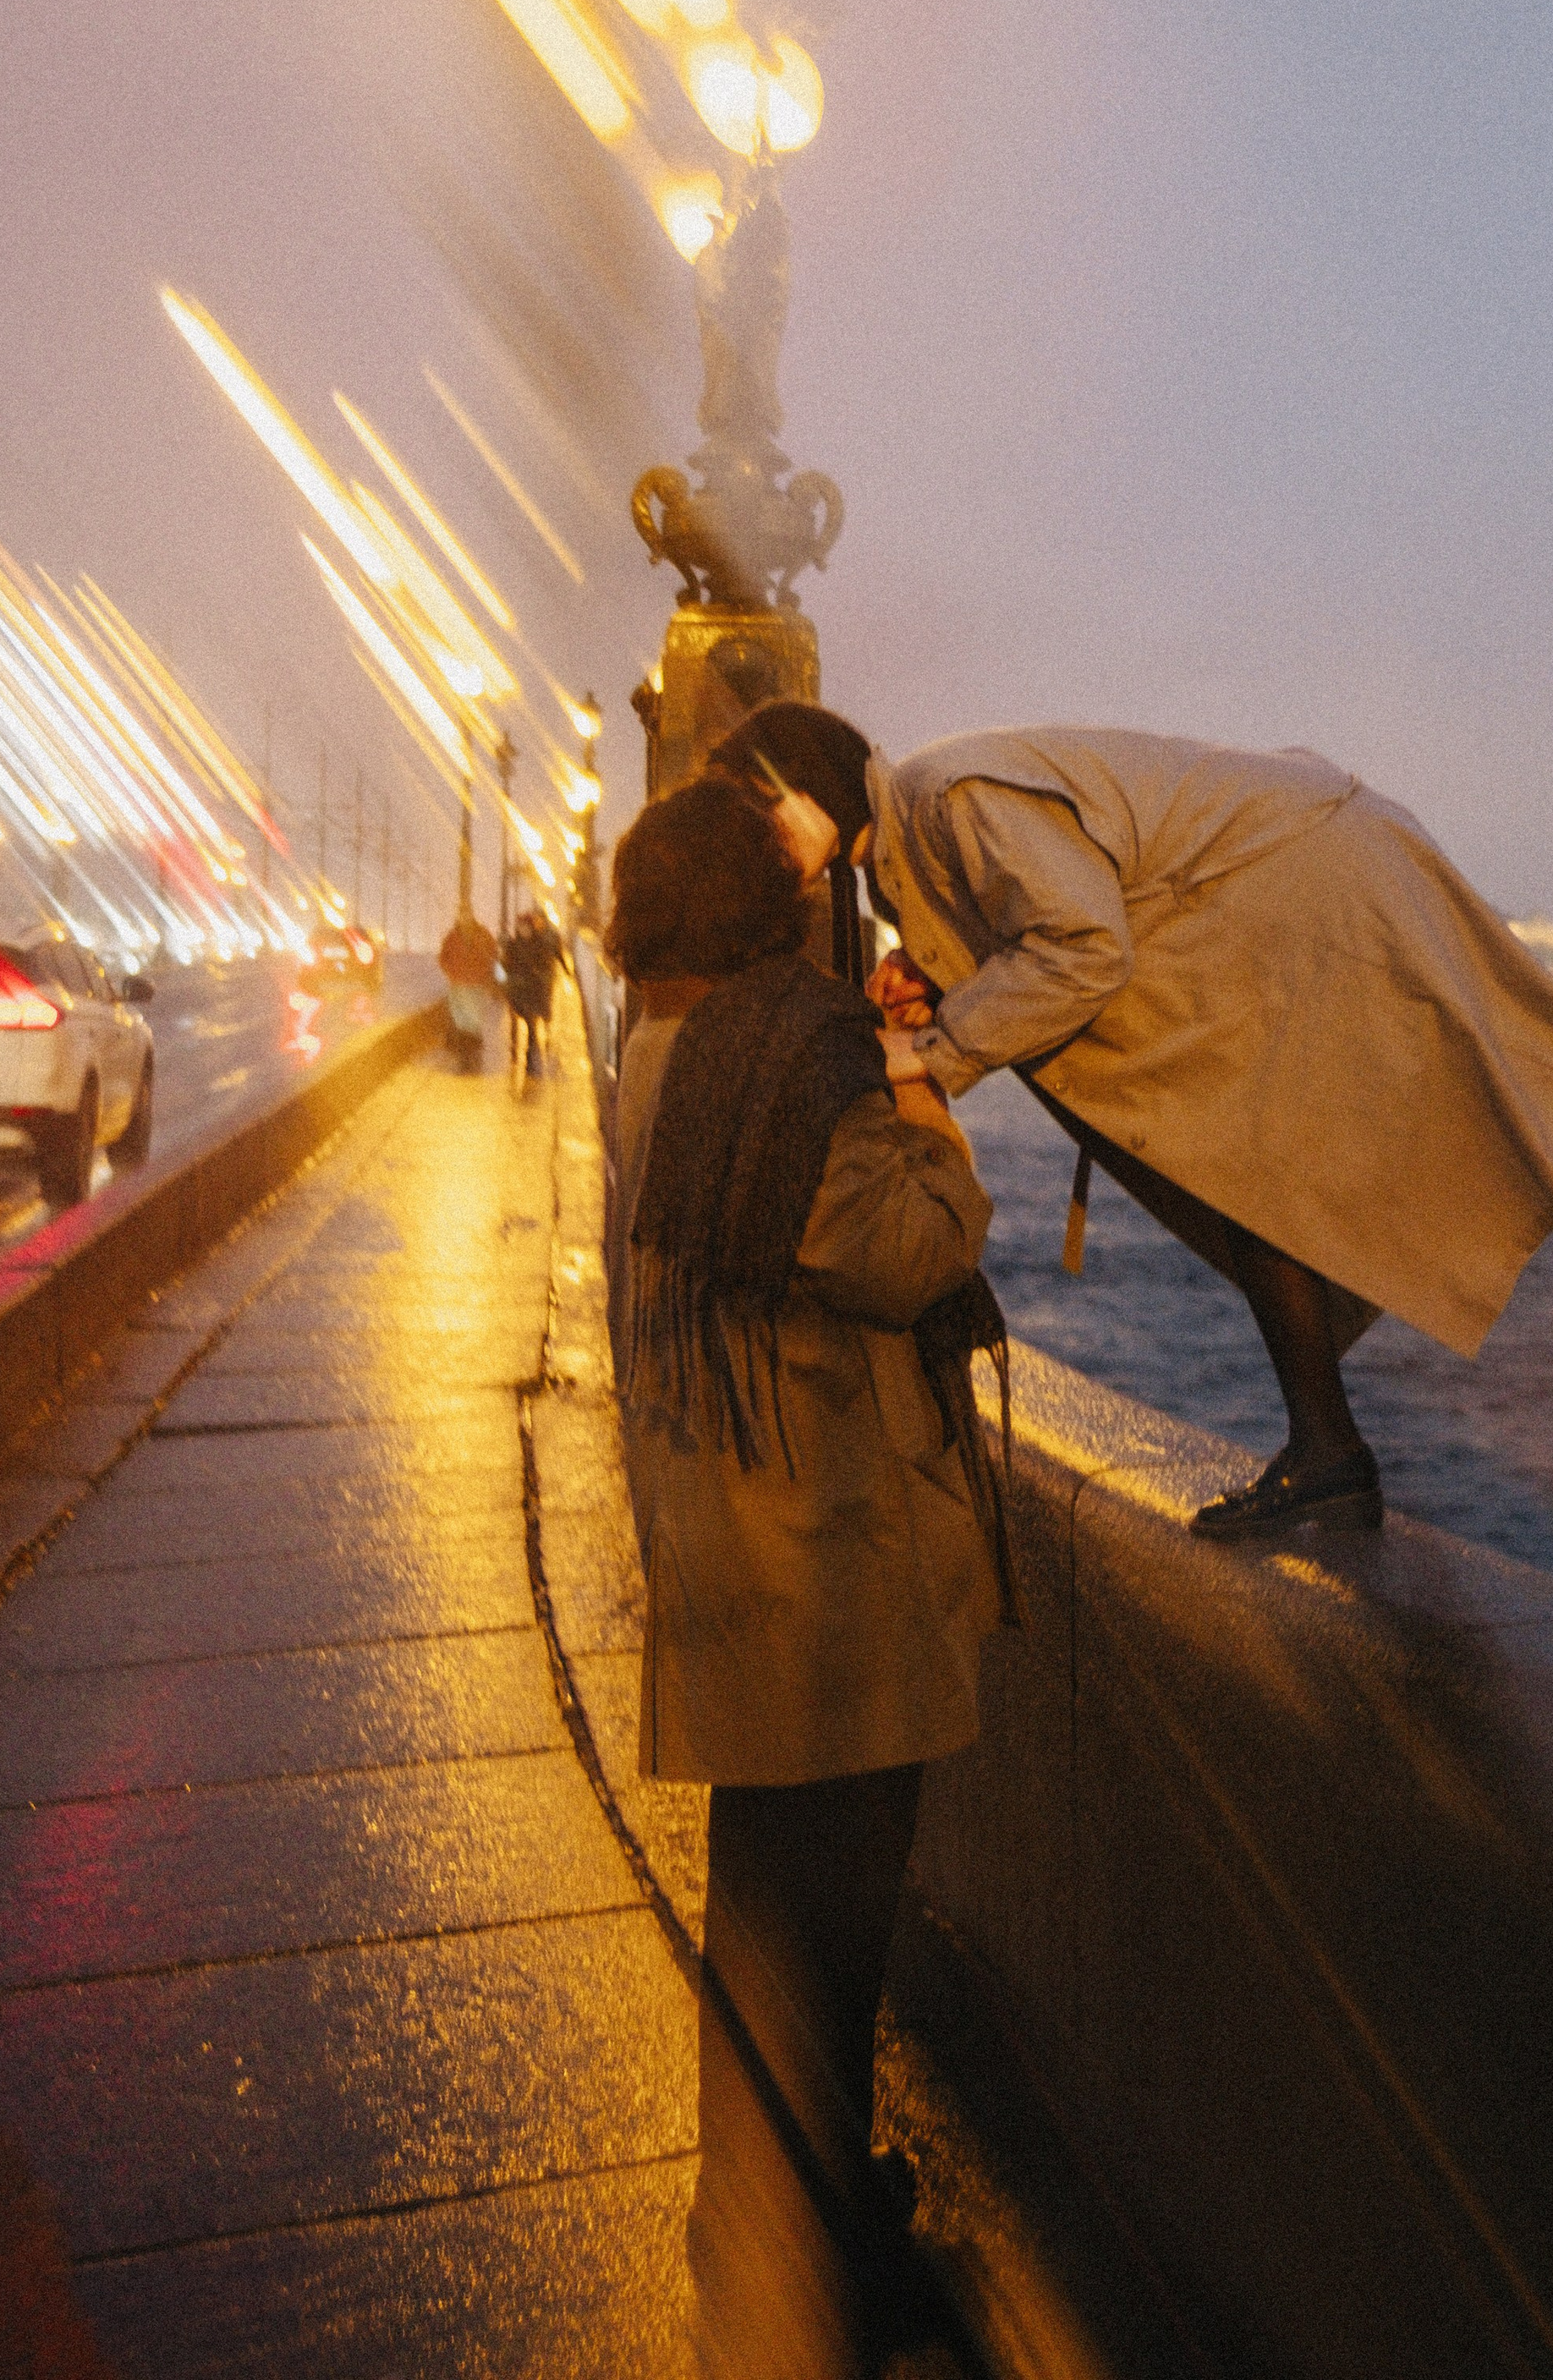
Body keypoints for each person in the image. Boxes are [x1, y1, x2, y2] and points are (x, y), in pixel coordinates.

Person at [706, 701, 1553, 1543]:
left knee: (1257, 1155)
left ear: (797, 788)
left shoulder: (940, 798)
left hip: (1292, 891)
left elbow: (1082, 945)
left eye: (757, 816)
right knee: (1355, 1115)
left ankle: (1330, 1453)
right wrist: (946, 994)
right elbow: (1060, 932)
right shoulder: (916, 827)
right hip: (1293, 871)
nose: (761, 848)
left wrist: (933, 1047)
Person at [604, 773, 1010, 2378]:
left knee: (776, 1933)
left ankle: (803, 2237)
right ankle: (789, 2299)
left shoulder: (664, 1054)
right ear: (760, 920)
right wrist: (912, 1069)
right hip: (823, 1572)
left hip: (736, 1555)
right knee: (816, 1960)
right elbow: (928, 1242)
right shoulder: (787, 1079)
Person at [498, 904, 565, 1077]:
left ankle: (529, 1056)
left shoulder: (539, 945)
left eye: (526, 927)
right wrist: (504, 980)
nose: (524, 931)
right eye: (521, 927)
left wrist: (540, 974)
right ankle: (515, 1048)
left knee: (530, 1024)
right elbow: (504, 965)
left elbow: (546, 962)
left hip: (532, 992)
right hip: (516, 992)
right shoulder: (513, 946)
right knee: (517, 1020)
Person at [436, 906, 499, 1070]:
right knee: (461, 1020)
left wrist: (485, 971)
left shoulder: (482, 934)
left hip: (477, 985)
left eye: (467, 914)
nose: (465, 918)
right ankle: (466, 1056)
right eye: (462, 915)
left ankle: (472, 1053)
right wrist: (451, 972)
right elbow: (443, 957)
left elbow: (493, 954)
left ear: (472, 915)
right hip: (458, 985)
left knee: (474, 1020)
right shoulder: (452, 936)